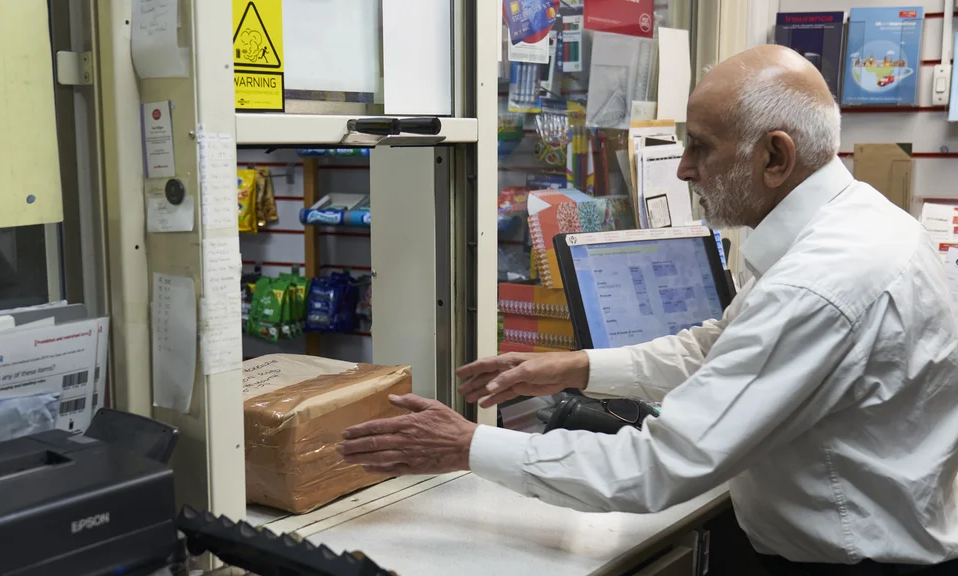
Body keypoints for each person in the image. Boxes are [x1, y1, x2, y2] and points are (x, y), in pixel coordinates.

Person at [337, 45, 958, 574]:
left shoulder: (821, 281)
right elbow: (722, 344)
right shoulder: (855, 223)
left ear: (776, 157)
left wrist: (466, 445)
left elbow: (657, 466)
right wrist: (575, 367)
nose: (684, 169)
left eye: (701, 147)